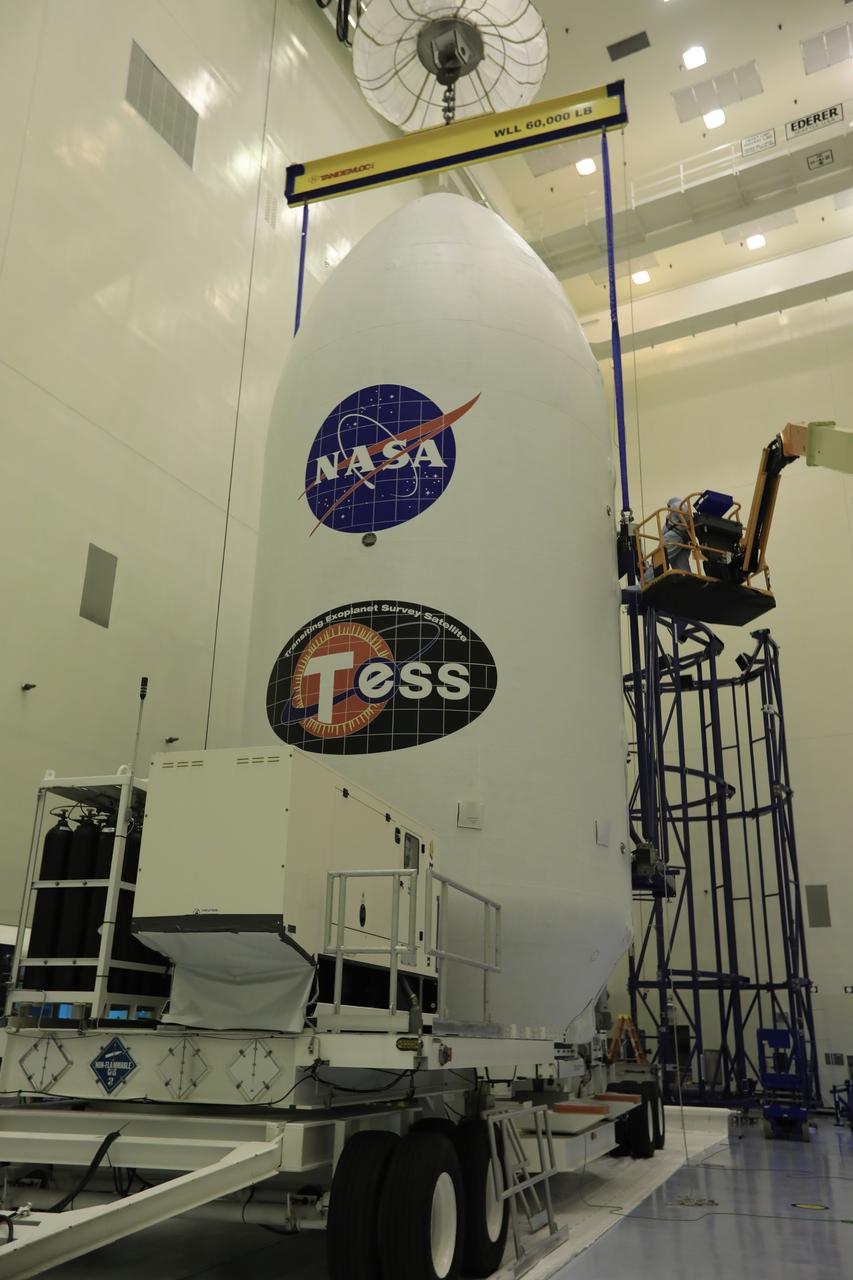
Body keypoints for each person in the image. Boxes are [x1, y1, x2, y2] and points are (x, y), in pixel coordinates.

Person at [662, 496, 692, 573]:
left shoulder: (675, 505)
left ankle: (645, 582)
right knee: (682, 568)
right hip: (682, 539)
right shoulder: (684, 507)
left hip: (673, 537)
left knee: (660, 562)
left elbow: (685, 522)